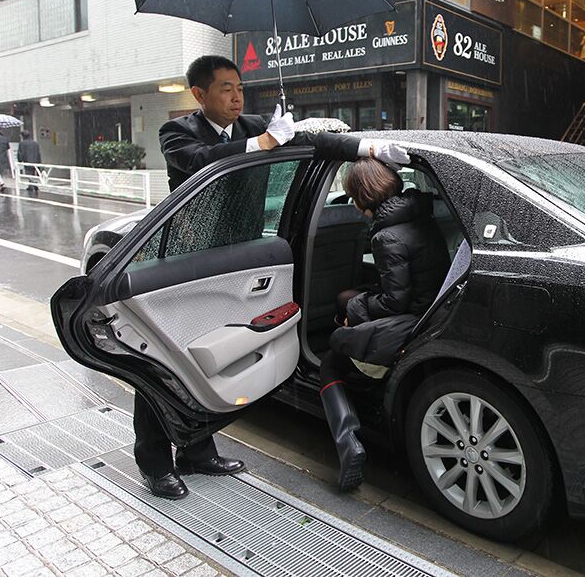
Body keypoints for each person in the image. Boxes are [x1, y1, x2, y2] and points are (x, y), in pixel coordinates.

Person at [137, 55, 410, 501]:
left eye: (240, 87)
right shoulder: (178, 132)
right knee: (166, 361)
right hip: (190, 263)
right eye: (226, 88)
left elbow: (315, 141)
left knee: (213, 360)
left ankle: (196, 451)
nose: (237, 96)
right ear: (200, 94)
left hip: (238, 260)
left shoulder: (254, 125)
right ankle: (154, 462)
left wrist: (369, 149)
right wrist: (262, 143)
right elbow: (201, 162)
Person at [320, 159, 451, 491]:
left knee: (331, 360)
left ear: (362, 197)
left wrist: (355, 310)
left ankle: (348, 443)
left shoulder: (386, 236)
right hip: (431, 309)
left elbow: (394, 302)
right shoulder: (419, 215)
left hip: (410, 323)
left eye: (352, 194)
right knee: (348, 299)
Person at [17, 130, 42, 194]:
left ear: (23, 136)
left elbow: (20, 153)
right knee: (32, 173)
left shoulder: (22, 143)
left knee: (28, 174)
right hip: (35, 160)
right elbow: (38, 153)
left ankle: (34, 183)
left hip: (27, 160)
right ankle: (30, 185)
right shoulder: (35, 143)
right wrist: (39, 161)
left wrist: (20, 160)